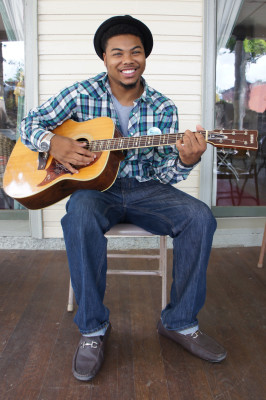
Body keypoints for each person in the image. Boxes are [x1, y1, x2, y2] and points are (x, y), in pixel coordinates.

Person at [20, 15, 226, 382]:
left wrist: (186, 158)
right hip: (95, 192)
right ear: (104, 57)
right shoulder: (81, 93)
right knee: (78, 214)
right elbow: (28, 124)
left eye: (136, 52)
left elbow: (165, 175)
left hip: (147, 189)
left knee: (200, 217)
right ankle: (93, 330)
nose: (127, 60)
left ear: (145, 57)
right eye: (117, 53)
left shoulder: (163, 106)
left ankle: (179, 322)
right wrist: (56, 143)